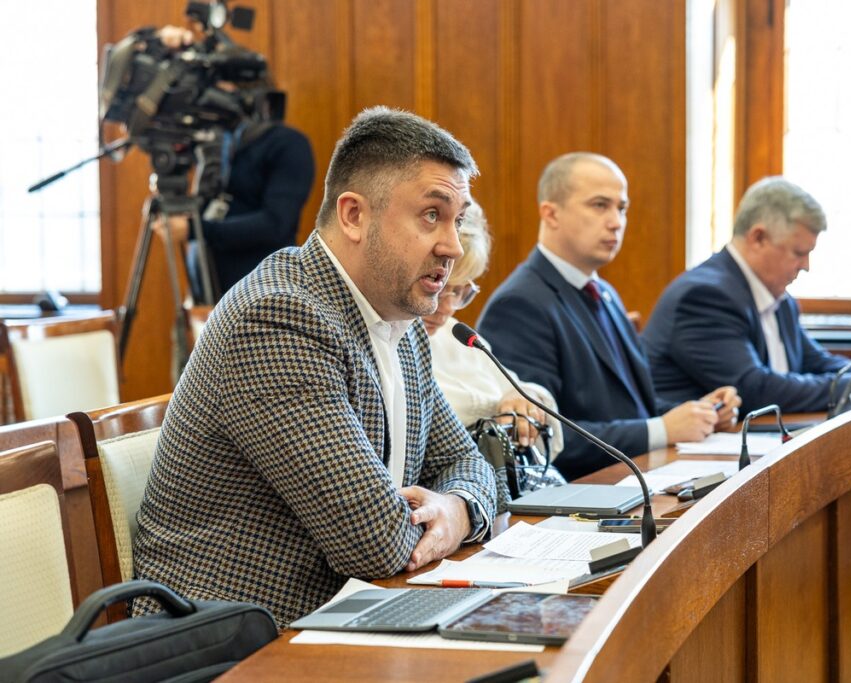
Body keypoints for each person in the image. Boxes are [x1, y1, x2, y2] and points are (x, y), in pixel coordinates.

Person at [132, 106, 497, 629]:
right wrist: (452, 513)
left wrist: (458, 507)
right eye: (431, 215)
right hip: (244, 642)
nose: (452, 246)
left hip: (354, 617)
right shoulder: (279, 317)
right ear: (353, 216)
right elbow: (374, 544)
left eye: (457, 220)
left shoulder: (402, 320)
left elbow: (470, 462)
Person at [477, 152, 740, 480]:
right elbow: (543, 437)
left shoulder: (603, 291)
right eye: (600, 205)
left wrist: (702, 413)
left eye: (622, 208)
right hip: (583, 498)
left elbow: (632, 407)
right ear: (551, 213)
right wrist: (661, 430)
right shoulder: (520, 304)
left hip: (636, 480)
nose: (616, 221)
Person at [642, 176, 851, 413]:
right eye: (799, 253)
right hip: (681, 458)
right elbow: (754, 389)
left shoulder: (779, 299)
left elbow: (817, 362)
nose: (806, 266)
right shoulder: (705, 297)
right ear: (758, 238)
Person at [154, 25, 315, 297]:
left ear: (247, 91)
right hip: (207, 294)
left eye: (219, 88)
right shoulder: (212, 143)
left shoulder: (288, 144)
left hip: (265, 298)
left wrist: (197, 230)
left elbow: (276, 224)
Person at [423, 201, 563, 456]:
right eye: (440, 287)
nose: (446, 308)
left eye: (460, 292)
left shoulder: (457, 336)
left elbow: (521, 388)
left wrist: (523, 399)